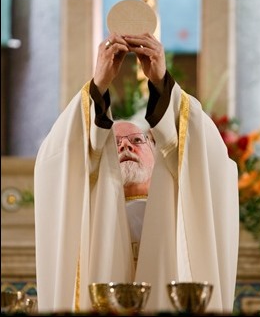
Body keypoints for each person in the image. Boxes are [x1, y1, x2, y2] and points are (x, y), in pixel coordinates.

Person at [34, 32, 239, 314]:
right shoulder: (90, 207)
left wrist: (160, 80)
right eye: (115, 144)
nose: (126, 146)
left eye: (137, 140)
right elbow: (59, 157)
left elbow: (206, 156)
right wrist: (99, 84)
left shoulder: (179, 203)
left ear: (160, 153)